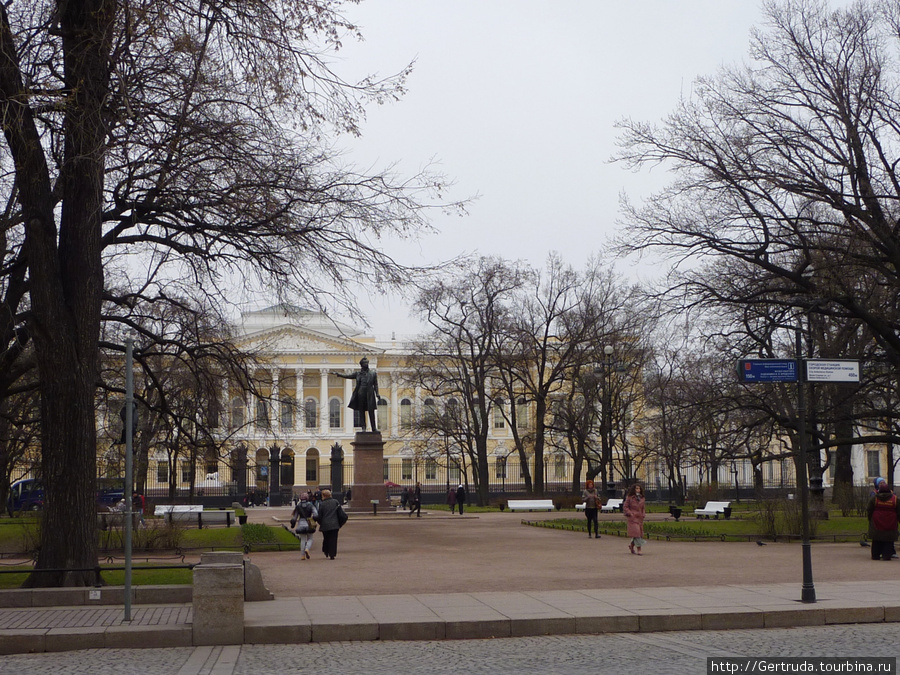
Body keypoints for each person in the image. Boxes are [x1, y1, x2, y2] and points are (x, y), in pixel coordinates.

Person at [332, 357, 380, 432]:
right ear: (361, 365)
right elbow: (348, 376)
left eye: (367, 363)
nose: (366, 364)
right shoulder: (358, 374)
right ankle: (363, 427)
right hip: (361, 393)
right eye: (365, 363)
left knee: (371, 411)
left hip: (370, 394)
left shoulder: (373, 374)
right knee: (361, 411)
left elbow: (375, 384)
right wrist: (339, 374)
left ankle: (374, 428)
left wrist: (377, 393)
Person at [867, 478, 900, 561]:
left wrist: (870, 519)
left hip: (876, 522)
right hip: (891, 522)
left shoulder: (875, 498)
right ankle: (886, 555)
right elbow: (899, 511)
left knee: (876, 540)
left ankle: (875, 555)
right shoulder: (895, 499)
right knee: (888, 540)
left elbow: (869, 510)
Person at [315, 489, 347, 560]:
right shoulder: (335, 502)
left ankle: (326, 551)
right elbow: (340, 513)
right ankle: (332, 554)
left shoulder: (322, 504)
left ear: (323, 496)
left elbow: (320, 516)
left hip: (325, 524)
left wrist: (320, 523)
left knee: (326, 538)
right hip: (335, 524)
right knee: (333, 539)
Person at [291, 491, 318, 560]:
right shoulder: (311, 505)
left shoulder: (298, 506)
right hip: (309, 523)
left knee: (302, 540)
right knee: (310, 538)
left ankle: (302, 555)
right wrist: (314, 520)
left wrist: (292, 525)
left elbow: (294, 518)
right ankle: (307, 549)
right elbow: (316, 514)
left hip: (301, 523)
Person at [623, 483, 646, 555]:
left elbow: (643, 507)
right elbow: (625, 506)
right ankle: (639, 549)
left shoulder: (642, 498)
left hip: (639, 517)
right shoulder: (630, 497)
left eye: (639, 488)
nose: (638, 490)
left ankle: (631, 546)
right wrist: (630, 513)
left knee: (638, 533)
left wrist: (643, 514)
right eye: (636, 488)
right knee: (637, 533)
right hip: (632, 518)